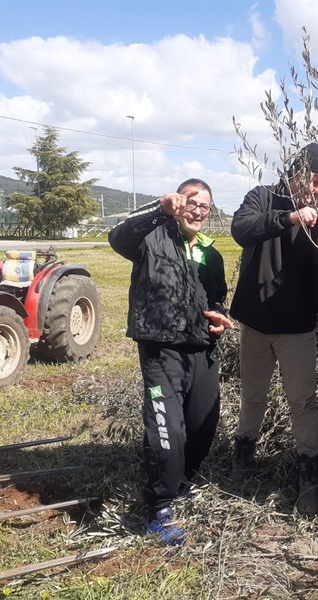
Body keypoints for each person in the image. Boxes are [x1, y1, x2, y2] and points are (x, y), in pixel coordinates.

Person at [108, 178, 233, 545]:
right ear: (177, 203)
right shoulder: (151, 236)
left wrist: (219, 316)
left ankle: (182, 484)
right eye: (192, 203)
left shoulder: (211, 254)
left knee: (203, 426)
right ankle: (159, 507)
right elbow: (118, 236)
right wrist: (157, 209)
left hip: (202, 350)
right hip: (160, 348)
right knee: (168, 430)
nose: (198, 211)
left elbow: (217, 298)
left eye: (205, 207)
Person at [228, 143, 318, 516]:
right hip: (255, 324)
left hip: (297, 329)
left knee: (302, 402)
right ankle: (243, 457)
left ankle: (309, 474)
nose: (313, 188)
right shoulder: (263, 197)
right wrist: (290, 218)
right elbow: (241, 229)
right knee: (253, 395)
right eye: (308, 177)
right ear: (292, 173)